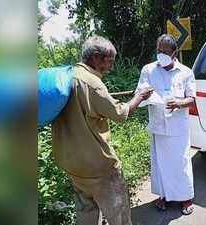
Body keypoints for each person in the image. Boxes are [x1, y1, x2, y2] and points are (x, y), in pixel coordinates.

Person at [52, 35, 153, 225]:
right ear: (97, 57)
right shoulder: (92, 83)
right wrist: (138, 98)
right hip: (98, 167)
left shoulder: (67, 76)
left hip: (73, 165)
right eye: (110, 61)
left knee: (86, 212)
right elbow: (120, 113)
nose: (111, 67)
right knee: (119, 215)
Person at [136, 34, 196, 215]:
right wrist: (144, 95)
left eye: (165, 51)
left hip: (178, 127)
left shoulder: (186, 72)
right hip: (158, 125)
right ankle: (163, 195)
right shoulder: (148, 70)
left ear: (174, 52)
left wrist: (179, 103)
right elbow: (140, 93)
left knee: (181, 162)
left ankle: (185, 197)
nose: (161, 54)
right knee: (160, 164)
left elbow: (192, 99)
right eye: (159, 50)